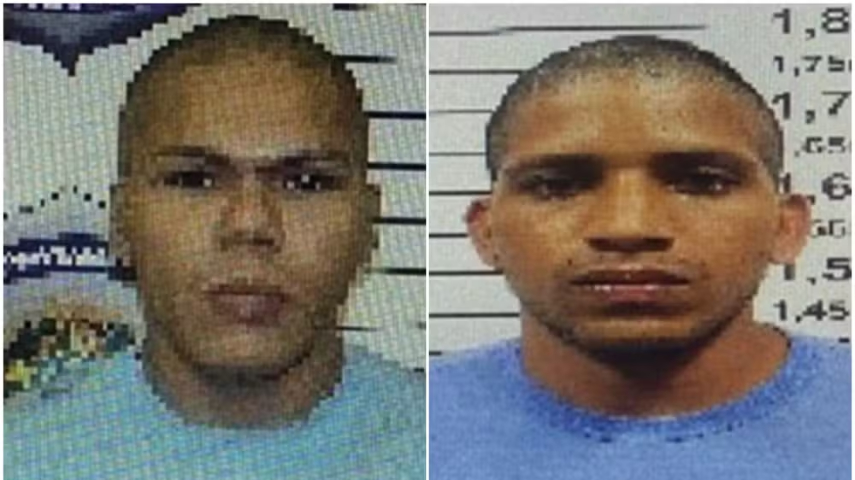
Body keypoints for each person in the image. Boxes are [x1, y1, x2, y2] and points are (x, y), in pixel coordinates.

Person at [6, 16, 425, 480]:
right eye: (195, 179)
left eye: (306, 182)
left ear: (368, 226)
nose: (250, 224)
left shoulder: (447, 448)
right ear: (122, 223)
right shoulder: (21, 459)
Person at [429, 35, 850, 479]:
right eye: (557, 186)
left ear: (786, 227)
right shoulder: (426, 423)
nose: (627, 227)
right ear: (487, 231)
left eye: (702, 182)